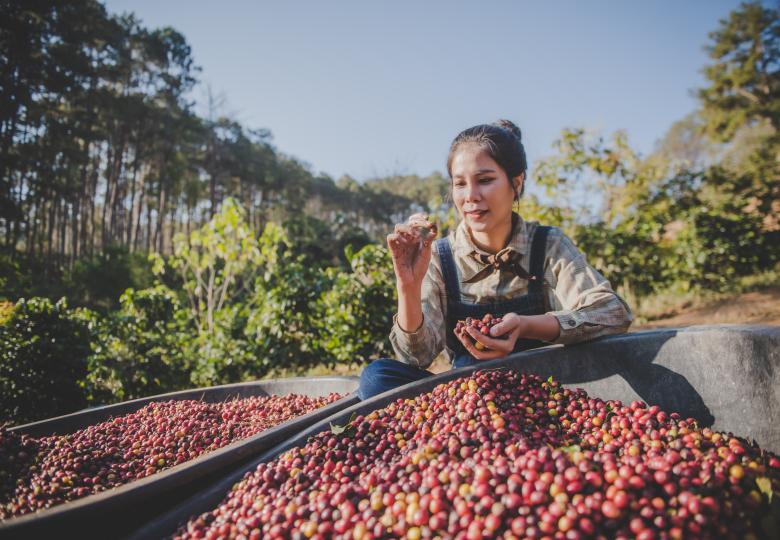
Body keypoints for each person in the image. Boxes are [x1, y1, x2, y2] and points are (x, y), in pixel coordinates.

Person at [358, 120, 633, 400]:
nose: (471, 197)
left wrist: (528, 325)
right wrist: (408, 286)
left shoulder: (547, 244)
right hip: (469, 397)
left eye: (485, 180)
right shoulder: (439, 256)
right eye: (460, 184)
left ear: (516, 183)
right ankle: (468, 427)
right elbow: (417, 357)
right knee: (377, 378)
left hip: (544, 392)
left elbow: (612, 312)